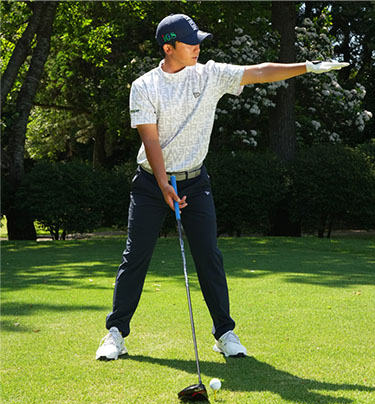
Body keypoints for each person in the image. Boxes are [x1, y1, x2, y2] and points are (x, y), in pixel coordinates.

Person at [96, 13, 348, 361]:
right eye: (190, 42)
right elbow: (150, 140)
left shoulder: (210, 75)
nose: (198, 47)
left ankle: (224, 333)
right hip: (151, 184)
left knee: (209, 257)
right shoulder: (145, 86)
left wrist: (306, 67)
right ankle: (116, 334)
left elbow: (259, 72)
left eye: (199, 41)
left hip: (195, 182)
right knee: (135, 257)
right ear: (168, 47)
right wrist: (163, 185)